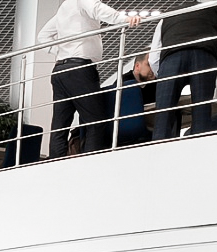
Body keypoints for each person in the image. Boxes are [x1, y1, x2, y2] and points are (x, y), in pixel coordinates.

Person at [37, 0, 140, 159]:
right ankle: (89, 163)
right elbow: (98, 9)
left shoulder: (65, 8)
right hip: (79, 69)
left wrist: (63, 51)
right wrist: (125, 19)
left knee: (60, 125)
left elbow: (43, 36)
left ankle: (56, 164)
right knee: (95, 121)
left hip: (60, 70)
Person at [150, 1, 217, 140]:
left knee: (163, 114)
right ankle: (199, 146)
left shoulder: (166, 16)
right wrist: (214, 69)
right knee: (202, 111)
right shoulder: (214, 11)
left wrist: (160, 75)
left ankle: (159, 146)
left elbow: (154, 56)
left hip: (171, 58)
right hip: (203, 56)